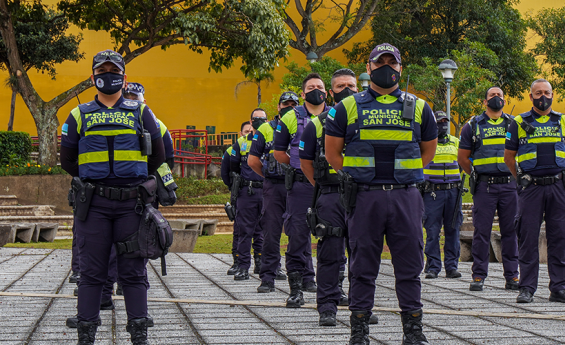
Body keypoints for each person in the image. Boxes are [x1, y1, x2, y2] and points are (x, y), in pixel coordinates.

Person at [325, 43, 436, 345]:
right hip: (364, 197)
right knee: (362, 267)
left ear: (400, 67)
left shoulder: (420, 107)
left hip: (405, 197)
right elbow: (333, 153)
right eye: (380, 61)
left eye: (392, 62)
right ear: (369, 67)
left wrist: (402, 176)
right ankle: (359, 332)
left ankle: (413, 332)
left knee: (410, 266)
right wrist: (358, 177)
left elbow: (428, 152)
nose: (387, 66)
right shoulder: (346, 107)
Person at [60, 49, 165, 345]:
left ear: (124, 77)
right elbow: (67, 159)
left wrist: (130, 178)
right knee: (92, 272)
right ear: (93, 77)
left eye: (114, 71)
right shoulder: (78, 114)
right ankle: (86, 335)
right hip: (93, 205)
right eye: (102, 71)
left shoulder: (141, 112)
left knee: (133, 271)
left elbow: (158, 155)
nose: (108, 75)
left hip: (131, 205)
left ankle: (139, 335)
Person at [299, 68, 356, 326]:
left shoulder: (367, 120)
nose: (347, 90)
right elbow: (305, 162)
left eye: (352, 85)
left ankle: (360, 307)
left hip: (362, 196)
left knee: (362, 253)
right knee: (330, 252)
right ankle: (327, 307)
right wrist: (322, 186)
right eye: (341, 85)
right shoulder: (317, 124)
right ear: (330, 92)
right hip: (331, 195)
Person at [504, 79, 565, 304]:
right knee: (528, 237)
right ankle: (527, 288)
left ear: (552, 94)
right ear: (530, 96)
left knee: (559, 237)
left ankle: (559, 288)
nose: (543, 96)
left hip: (558, 187)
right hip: (531, 189)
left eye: (547, 92)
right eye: (538, 93)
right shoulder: (518, 122)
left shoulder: (562, 121)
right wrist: (521, 179)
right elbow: (508, 157)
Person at [274, 73, 330, 307]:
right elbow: (279, 153)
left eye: (320, 87)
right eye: (311, 87)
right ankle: (296, 290)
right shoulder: (290, 117)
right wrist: (301, 167)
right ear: (303, 93)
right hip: (300, 184)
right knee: (297, 235)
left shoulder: (338, 113)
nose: (316, 90)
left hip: (330, 186)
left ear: (326, 93)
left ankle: (333, 289)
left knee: (334, 237)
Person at [458, 86, 519, 292]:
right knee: (481, 232)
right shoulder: (473, 125)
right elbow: (463, 158)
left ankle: (512, 276)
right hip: (485, 186)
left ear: (504, 99)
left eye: (499, 96)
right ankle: (478, 276)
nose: (496, 98)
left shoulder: (514, 124)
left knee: (510, 231)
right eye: (492, 96)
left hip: (510, 186)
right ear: (485, 102)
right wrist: (476, 174)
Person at [248, 91, 300, 292]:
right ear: (278, 107)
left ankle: (306, 278)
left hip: (297, 185)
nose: (289, 107)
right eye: (285, 104)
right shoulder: (266, 130)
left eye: (293, 104)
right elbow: (253, 161)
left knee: (299, 232)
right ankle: (267, 278)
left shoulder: (304, 125)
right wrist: (268, 176)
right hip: (274, 186)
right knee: (271, 233)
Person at [421, 111, 463, 279]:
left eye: (445, 121)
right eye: (439, 122)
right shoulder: (426, 142)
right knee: (432, 231)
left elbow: (464, 160)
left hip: (453, 191)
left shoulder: (456, 141)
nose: (443, 124)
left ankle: (452, 267)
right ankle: (433, 267)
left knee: (453, 229)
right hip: (432, 192)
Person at [229, 111, 268, 280]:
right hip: (247, 191)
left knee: (267, 231)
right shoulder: (241, 142)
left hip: (267, 191)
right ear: (251, 121)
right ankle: (243, 266)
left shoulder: (272, 139)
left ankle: (265, 265)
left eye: (263, 119)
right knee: (245, 230)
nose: (259, 122)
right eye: (256, 119)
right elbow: (233, 167)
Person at [222, 121, 253, 275]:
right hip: (241, 191)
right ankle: (238, 261)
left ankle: (260, 261)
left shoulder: (261, 144)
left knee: (260, 231)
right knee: (241, 229)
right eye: (245, 131)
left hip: (259, 192)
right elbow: (226, 172)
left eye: (250, 130)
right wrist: (233, 187)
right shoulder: (234, 148)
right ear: (240, 132)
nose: (248, 132)